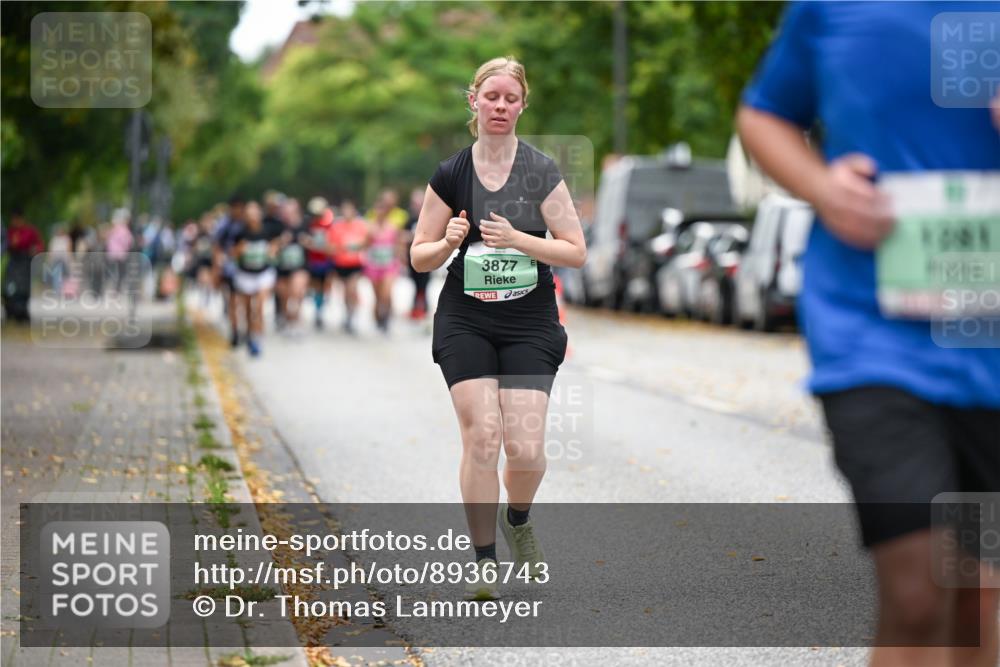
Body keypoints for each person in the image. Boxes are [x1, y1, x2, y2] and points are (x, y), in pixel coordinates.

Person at [737, 5, 999, 667]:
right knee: (919, 586)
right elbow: (764, 113)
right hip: (872, 333)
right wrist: (822, 187)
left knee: (980, 598)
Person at [410, 56, 586, 599]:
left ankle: (518, 518)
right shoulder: (451, 173)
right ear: (474, 101)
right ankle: (484, 561)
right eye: (492, 97)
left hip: (530, 318)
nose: (501, 106)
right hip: (466, 317)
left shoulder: (541, 172)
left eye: (511, 98)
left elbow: (576, 252)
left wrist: (521, 240)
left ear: (522, 105)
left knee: (527, 450)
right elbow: (418, 256)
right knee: (482, 438)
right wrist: (447, 244)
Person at [230, 201, 278, 357]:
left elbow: (274, 247)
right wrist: (239, 250)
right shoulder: (240, 233)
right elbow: (232, 254)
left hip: (263, 274)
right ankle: (250, 335)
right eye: (249, 214)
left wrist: (272, 250)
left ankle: (258, 338)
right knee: (248, 309)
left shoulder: (267, 230)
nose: (252, 217)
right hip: (245, 274)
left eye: (255, 213)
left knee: (259, 306)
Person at [328, 200, 367, 334]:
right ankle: (348, 313)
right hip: (340, 264)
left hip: (355, 264)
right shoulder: (336, 227)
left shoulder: (361, 225)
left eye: (349, 210)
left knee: (352, 289)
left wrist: (358, 246)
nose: (347, 213)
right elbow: (331, 246)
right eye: (345, 210)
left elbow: (366, 242)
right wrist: (340, 248)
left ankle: (353, 315)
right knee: (345, 292)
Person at [363, 197, 401, 334]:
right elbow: (365, 245)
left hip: (389, 265)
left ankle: (387, 318)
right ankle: (378, 318)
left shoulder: (392, 227)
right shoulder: (369, 227)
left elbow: (398, 245)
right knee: (377, 295)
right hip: (374, 265)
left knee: (386, 293)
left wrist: (401, 260)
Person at [213, 195, 246, 347]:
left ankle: (246, 328)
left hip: (247, 268)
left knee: (244, 301)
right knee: (233, 300)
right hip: (231, 268)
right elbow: (216, 247)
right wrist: (218, 267)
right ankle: (235, 330)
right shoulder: (224, 225)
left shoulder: (247, 223)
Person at [274, 198, 309, 335]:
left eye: (291, 210)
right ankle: (287, 318)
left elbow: (316, 243)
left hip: (300, 266)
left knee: (297, 292)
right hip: (282, 268)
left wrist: (307, 242)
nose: (287, 213)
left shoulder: (305, 225)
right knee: (284, 296)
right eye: (285, 211)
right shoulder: (278, 226)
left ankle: (296, 321)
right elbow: (270, 247)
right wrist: (281, 241)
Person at [3, 208, 44, 322]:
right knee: (10, 287)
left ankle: (22, 312)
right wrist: (11, 244)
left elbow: (39, 245)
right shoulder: (10, 232)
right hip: (13, 261)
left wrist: (35, 250)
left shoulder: (30, 231)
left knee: (24, 288)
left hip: (25, 261)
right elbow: (5, 246)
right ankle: (10, 311)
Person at [303, 196, 335, 331]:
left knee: (324, 285)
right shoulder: (308, 225)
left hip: (325, 260)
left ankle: (320, 309)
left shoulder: (329, 224)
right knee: (316, 286)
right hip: (313, 260)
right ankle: (317, 309)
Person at [403, 188, 431, 320]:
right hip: (412, 257)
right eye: (415, 203)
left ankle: (423, 308)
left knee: (424, 283)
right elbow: (402, 236)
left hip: (427, 255)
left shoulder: (431, 217)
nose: (416, 206)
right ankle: (417, 307)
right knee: (415, 283)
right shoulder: (410, 219)